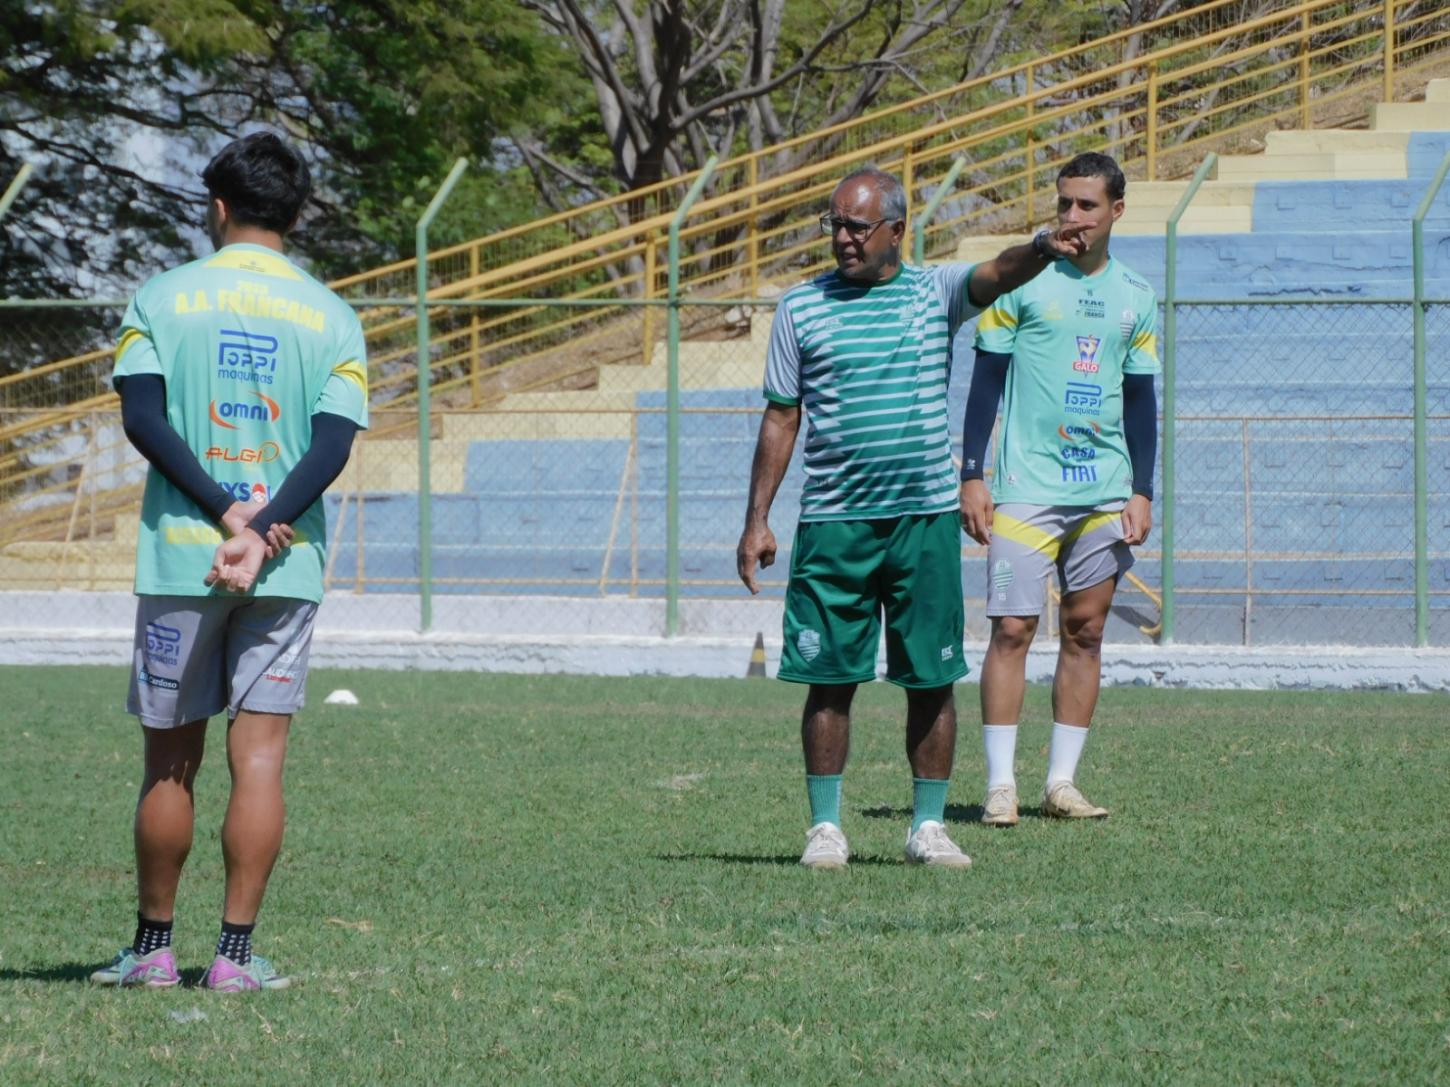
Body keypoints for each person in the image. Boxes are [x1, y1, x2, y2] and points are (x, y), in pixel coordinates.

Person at [736, 166, 1088, 869]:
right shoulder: (801, 308)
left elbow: (999, 272)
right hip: (834, 523)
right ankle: (825, 827)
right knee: (830, 678)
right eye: (834, 224)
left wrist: (1042, 247)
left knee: (930, 679)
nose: (842, 238)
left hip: (922, 522)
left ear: (897, 230)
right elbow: (781, 416)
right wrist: (757, 520)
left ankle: (928, 826)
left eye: (857, 226)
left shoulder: (935, 293)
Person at [91, 131, 368, 991]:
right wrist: (265, 522)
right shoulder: (333, 315)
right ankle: (235, 959)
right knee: (261, 759)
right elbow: (332, 445)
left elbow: (142, 419)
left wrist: (223, 513)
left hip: (185, 558)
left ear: (217, 207)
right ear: (295, 214)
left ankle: (152, 951)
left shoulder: (160, 297)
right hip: (283, 564)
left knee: (170, 762)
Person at [959, 151, 1159, 828]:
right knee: (1012, 628)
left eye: (1087, 205)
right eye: (1064, 203)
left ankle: (1061, 783)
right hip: (1024, 488)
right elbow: (985, 384)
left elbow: (1141, 399)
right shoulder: (1021, 281)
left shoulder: (1137, 295)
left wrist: (1142, 489)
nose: (1073, 216)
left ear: (1116, 211)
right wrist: (972, 473)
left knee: (1086, 629)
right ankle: (1000, 785)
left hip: (1103, 492)